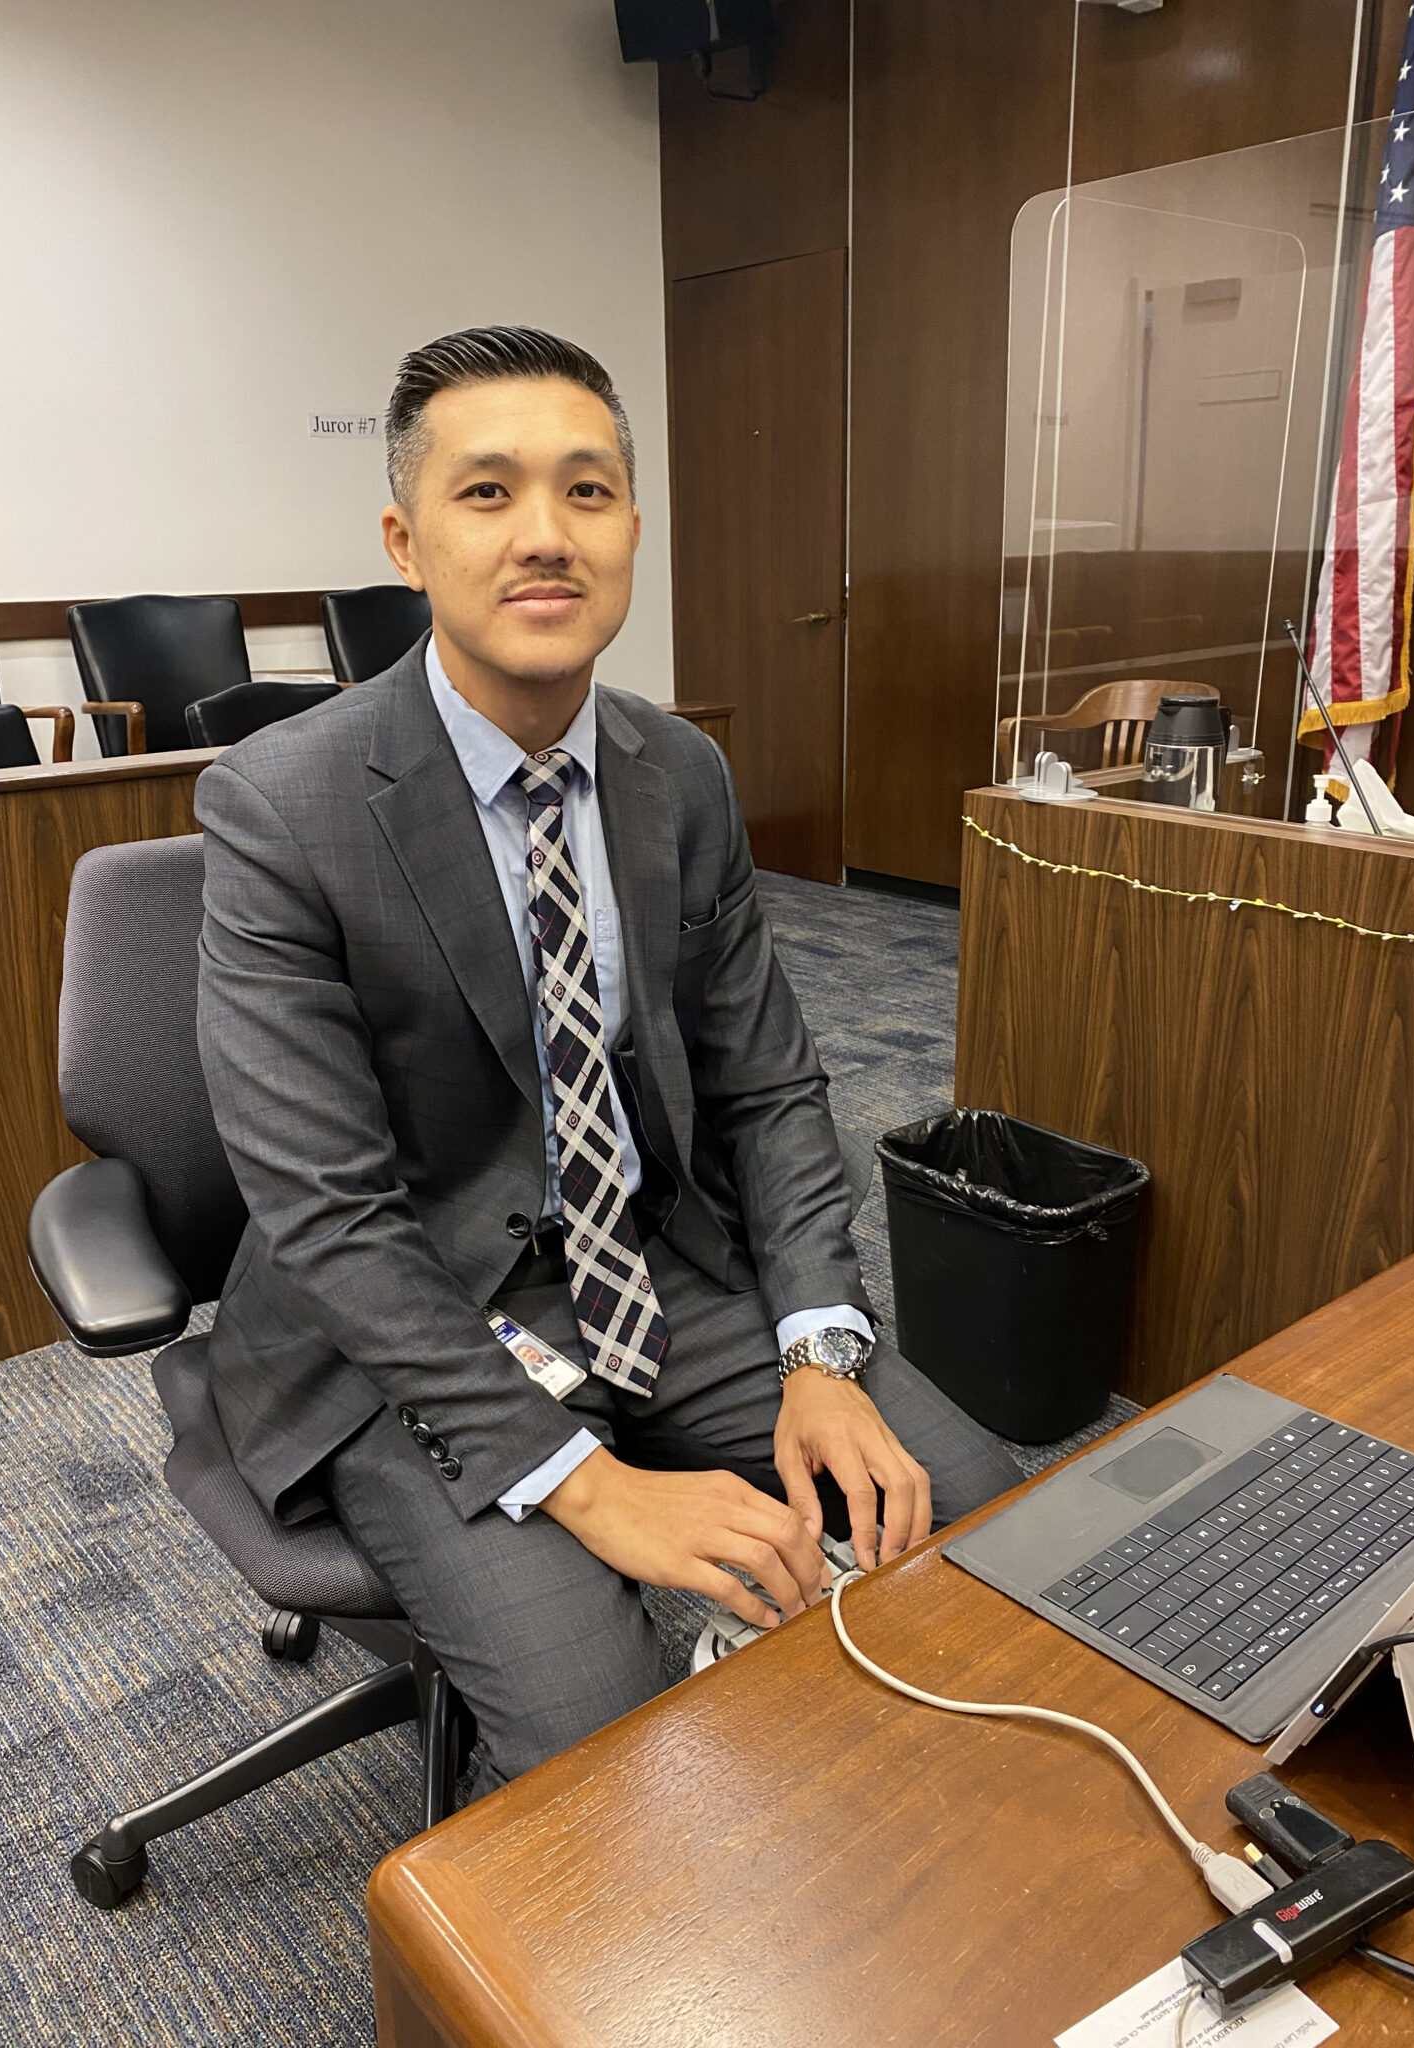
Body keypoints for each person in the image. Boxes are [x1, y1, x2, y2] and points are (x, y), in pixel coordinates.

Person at [194, 325, 1021, 1794]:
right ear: (406, 535)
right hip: (403, 1323)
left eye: (586, 492)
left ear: (633, 526)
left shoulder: (675, 770)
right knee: (609, 1740)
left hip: (644, 1268)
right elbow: (330, 1218)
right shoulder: (283, 804)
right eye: (488, 493)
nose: (544, 538)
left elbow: (766, 1083)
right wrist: (588, 1483)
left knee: (979, 1523)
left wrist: (823, 1346)